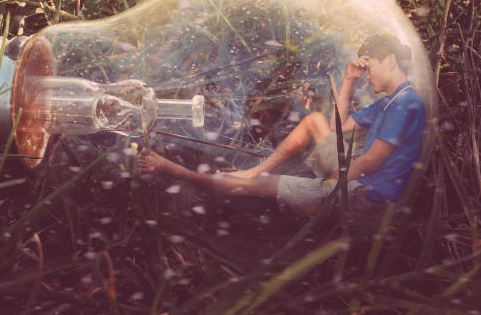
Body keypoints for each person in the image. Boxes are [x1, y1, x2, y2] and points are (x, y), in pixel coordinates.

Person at [137, 34, 426, 229]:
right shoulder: (389, 102)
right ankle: (255, 169)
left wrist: (331, 180)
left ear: (390, 61)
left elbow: (371, 162)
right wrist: (349, 80)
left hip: (363, 197)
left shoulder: (406, 104)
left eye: (371, 67)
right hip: (358, 177)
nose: (368, 75)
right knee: (315, 120)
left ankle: (179, 173)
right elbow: (337, 127)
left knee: (263, 186)